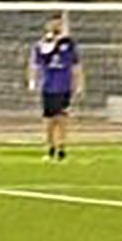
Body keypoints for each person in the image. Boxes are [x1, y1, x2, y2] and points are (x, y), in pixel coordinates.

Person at [29, 14, 82, 161]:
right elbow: (36, 64)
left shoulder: (69, 44)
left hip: (64, 87)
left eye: (59, 24)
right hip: (48, 86)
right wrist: (32, 81)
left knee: (62, 118)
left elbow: (76, 65)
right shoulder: (42, 44)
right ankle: (50, 147)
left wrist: (78, 83)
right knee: (49, 120)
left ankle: (62, 148)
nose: (57, 26)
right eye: (54, 24)